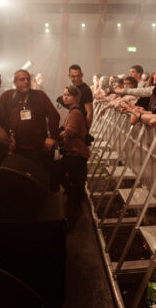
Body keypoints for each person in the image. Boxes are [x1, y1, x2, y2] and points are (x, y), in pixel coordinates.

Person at [0, 69, 60, 165]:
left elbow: (54, 116)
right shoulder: (7, 96)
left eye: (28, 79)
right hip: (15, 148)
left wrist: (52, 137)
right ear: (15, 82)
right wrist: (7, 137)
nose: (26, 82)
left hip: (37, 148)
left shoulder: (39, 95)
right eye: (22, 79)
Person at [59, 86, 90, 217]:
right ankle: (75, 205)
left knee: (58, 171)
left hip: (76, 152)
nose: (65, 97)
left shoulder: (75, 112)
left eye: (69, 95)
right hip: (78, 153)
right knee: (77, 181)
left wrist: (60, 134)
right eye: (64, 94)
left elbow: (71, 132)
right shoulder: (75, 111)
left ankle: (73, 208)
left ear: (76, 97)